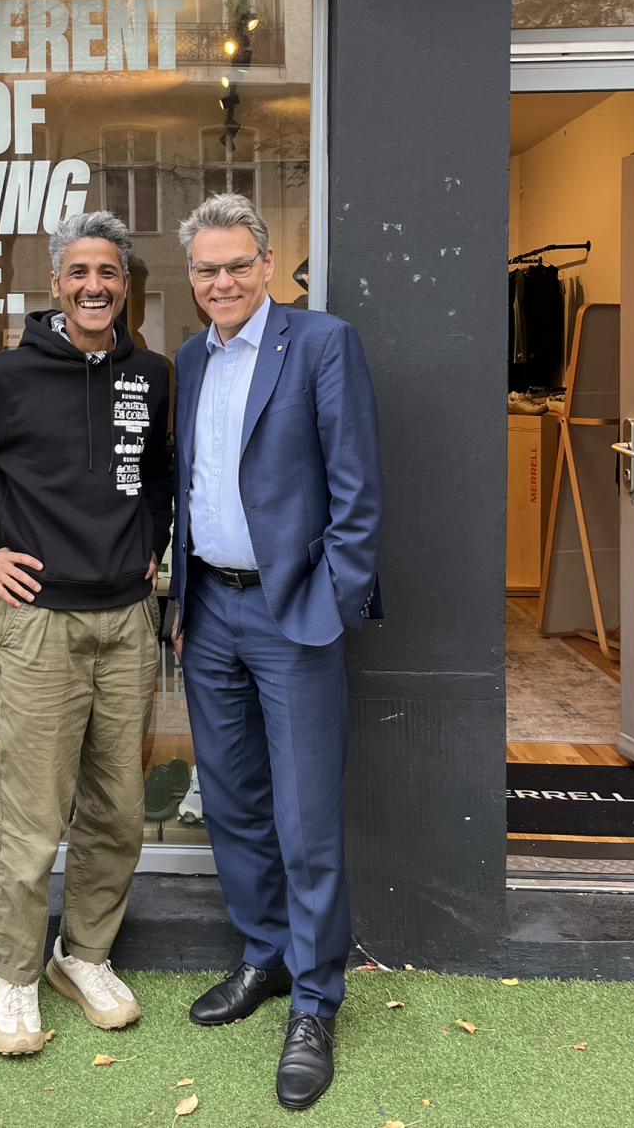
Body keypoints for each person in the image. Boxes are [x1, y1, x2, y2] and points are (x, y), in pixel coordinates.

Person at [0, 211, 172, 1057]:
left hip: (128, 624)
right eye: (79, 272)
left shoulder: (154, 375)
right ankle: (16, 974)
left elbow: (160, 474)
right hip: (40, 628)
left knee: (117, 810)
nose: (95, 286)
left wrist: (151, 548)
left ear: (127, 286)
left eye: (110, 273)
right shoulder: (8, 378)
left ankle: (81, 956)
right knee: (28, 816)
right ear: (56, 284)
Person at [167, 192, 383, 1112]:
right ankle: (262, 956)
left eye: (236, 265)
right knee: (231, 804)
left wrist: (327, 604)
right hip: (208, 608)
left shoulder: (320, 344)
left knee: (305, 818)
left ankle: (316, 998)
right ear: (192, 280)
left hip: (292, 614)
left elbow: (356, 493)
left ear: (266, 263)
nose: (222, 281)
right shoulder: (188, 357)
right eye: (205, 270)